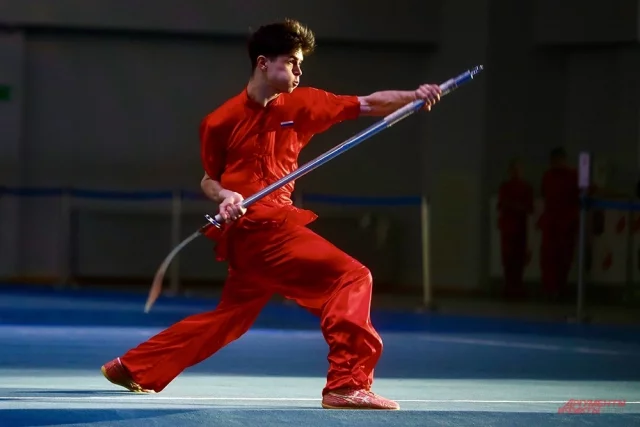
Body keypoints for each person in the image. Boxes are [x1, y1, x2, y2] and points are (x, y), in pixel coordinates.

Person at [100, 18, 442, 410]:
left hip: (266, 233)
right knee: (351, 277)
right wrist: (226, 195)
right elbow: (209, 180)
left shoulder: (304, 104)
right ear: (264, 63)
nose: (299, 71)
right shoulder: (220, 121)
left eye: (301, 64)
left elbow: (369, 104)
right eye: (292, 62)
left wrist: (415, 95)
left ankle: (132, 367)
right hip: (259, 229)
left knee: (230, 319)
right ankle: (347, 383)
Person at [538, 147, 579, 300]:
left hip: (561, 224)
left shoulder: (568, 175)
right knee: (554, 258)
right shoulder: (552, 176)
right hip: (557, 224)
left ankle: (555, 289)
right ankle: (553, 289)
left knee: (559, 258)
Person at [497, 158, 533, 299]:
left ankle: (516, 288)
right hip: (509, 228)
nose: (516, 172)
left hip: (519, 228)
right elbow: (503, 205)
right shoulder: (506, 187)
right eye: (514, 170)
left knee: (518, 259)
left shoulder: (525, 187)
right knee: (508, 259)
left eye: (518, 169)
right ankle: (509, 287)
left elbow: (528, 207)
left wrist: (513, 206)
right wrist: (518, 207)